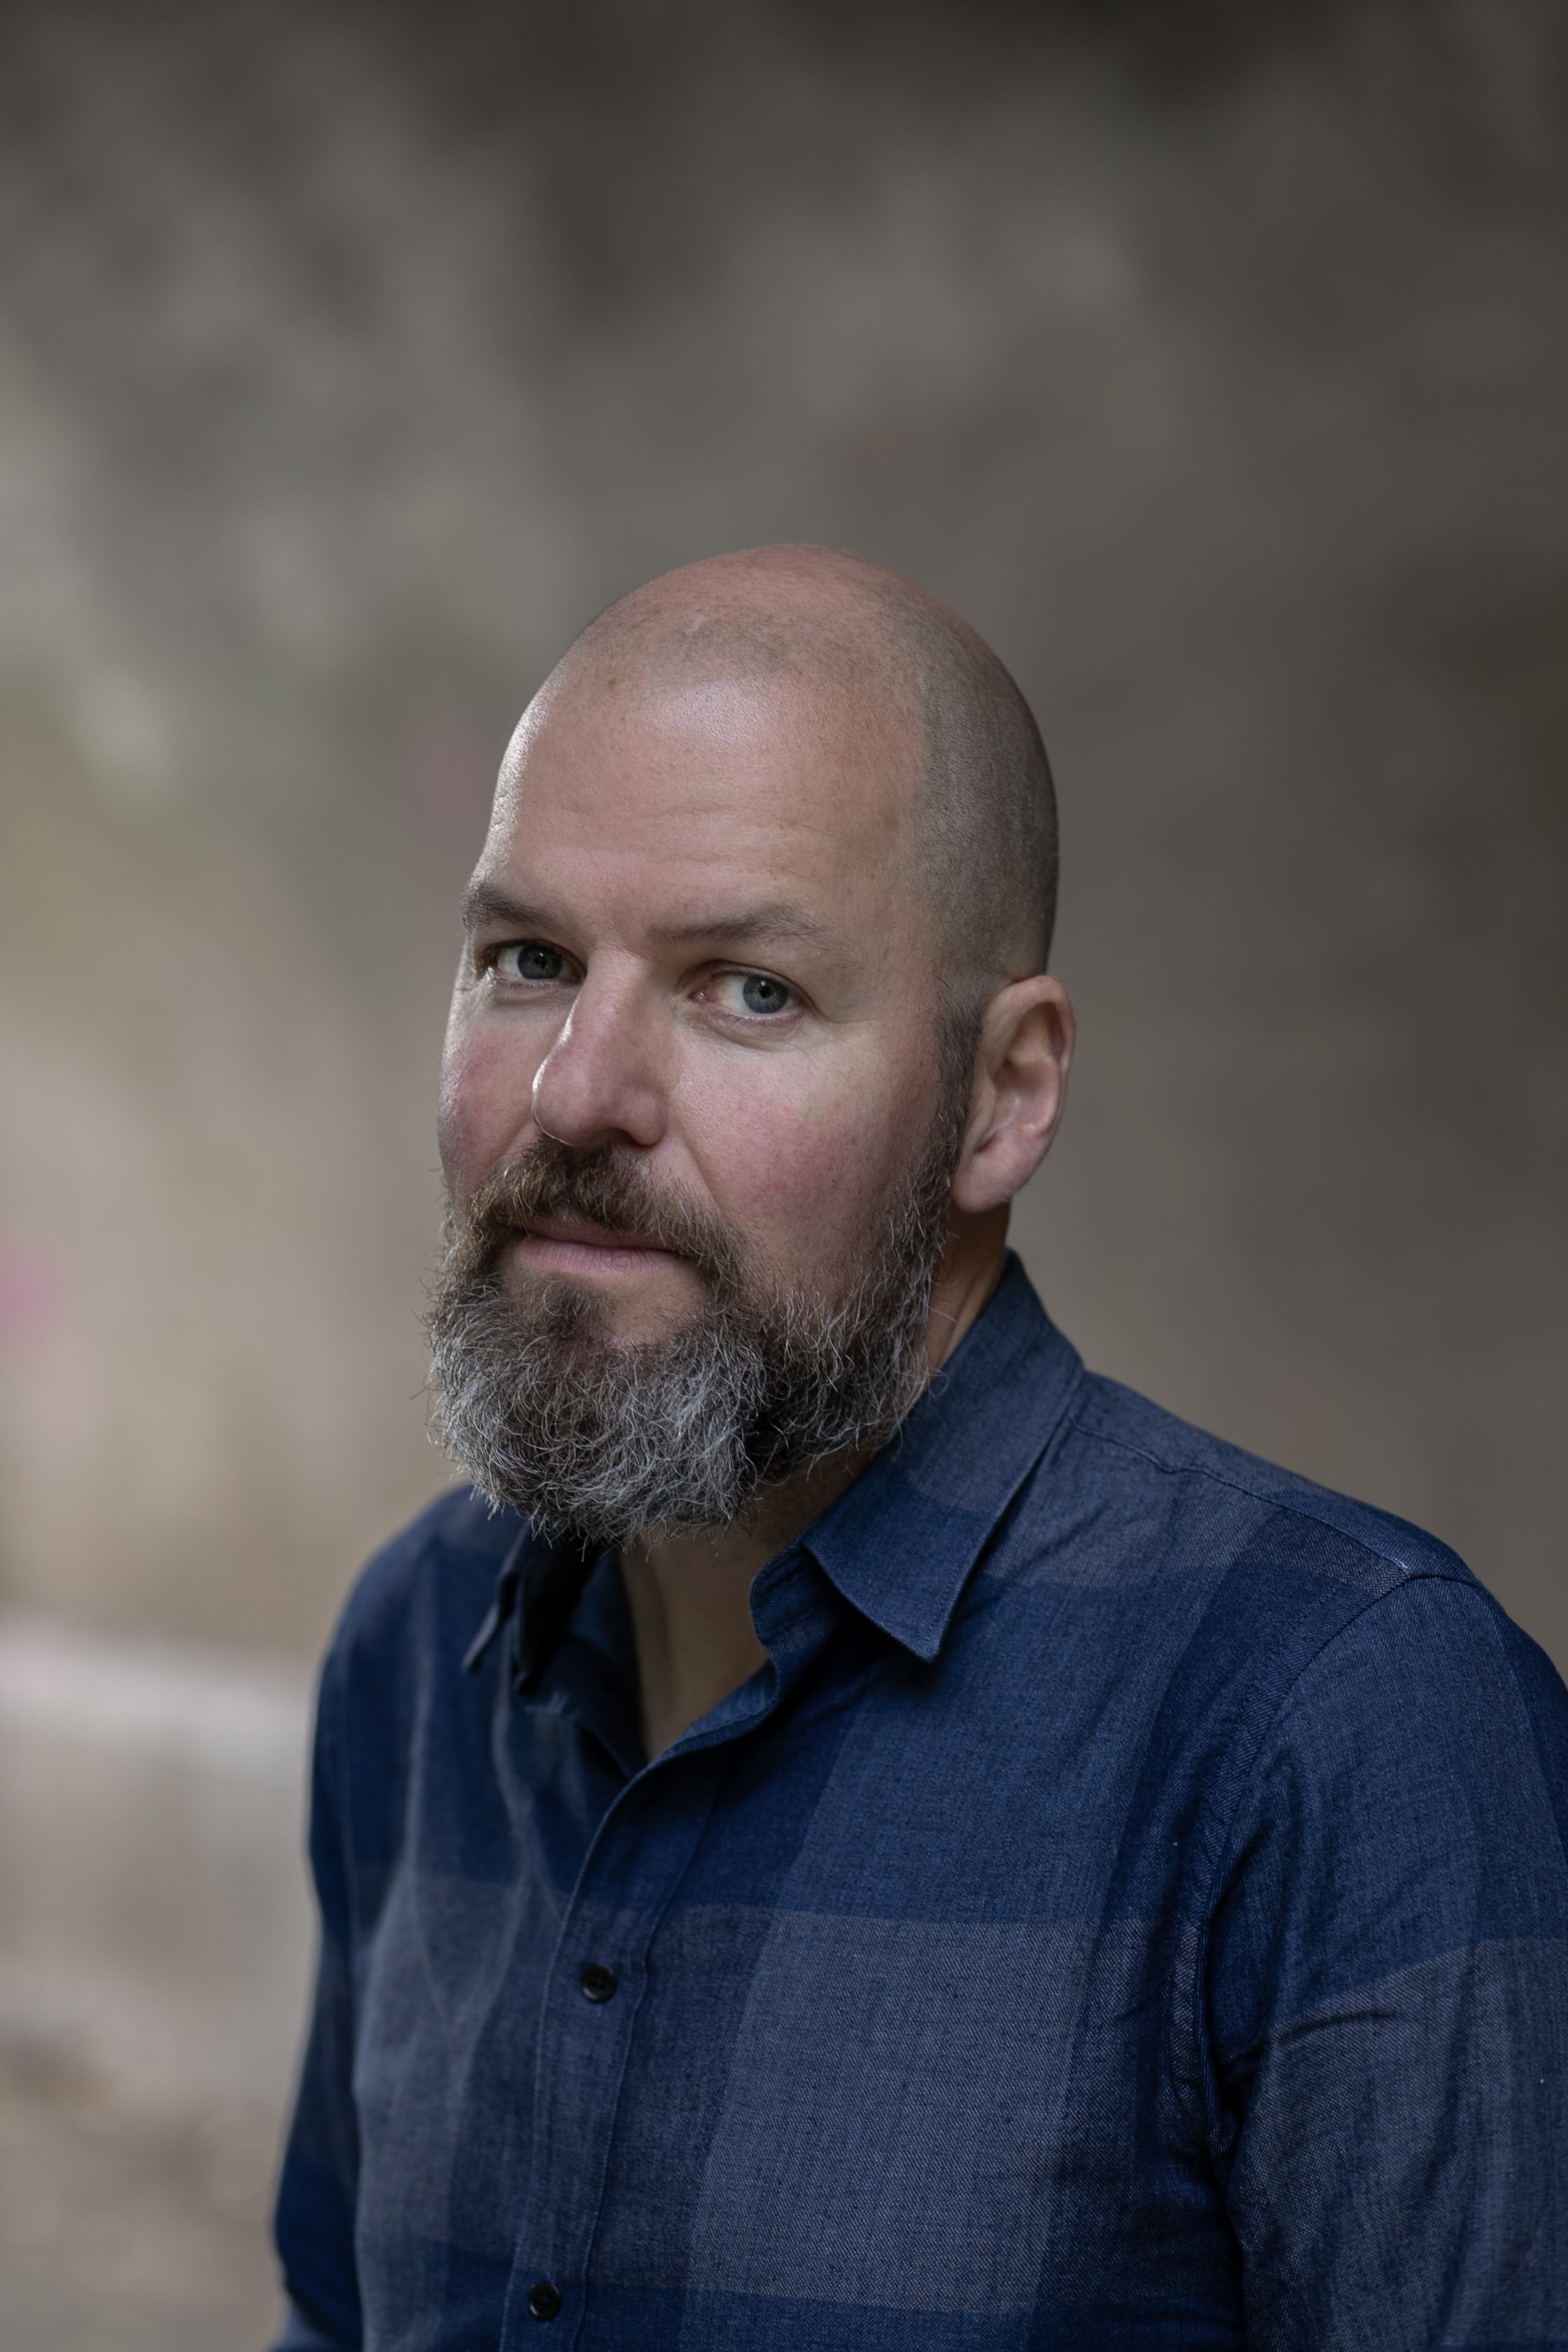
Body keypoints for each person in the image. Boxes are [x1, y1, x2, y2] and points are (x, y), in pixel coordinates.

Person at [272, 546, 1568, 2351]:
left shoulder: (1348, 1730)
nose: (576, 1091)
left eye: (749, 990)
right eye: (528, 960)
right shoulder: (417, 1652)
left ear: (1002, 1096)